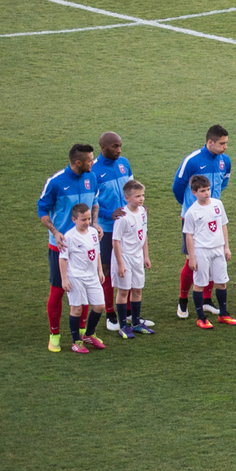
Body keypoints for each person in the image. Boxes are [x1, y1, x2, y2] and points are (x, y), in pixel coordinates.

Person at [39, 144, 98, 352]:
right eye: (90, 160)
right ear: (78, 162)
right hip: (61, 247)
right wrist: (55, 232)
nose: (93, 163)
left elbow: (95, 202)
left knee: (85, 288)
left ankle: (82, 333)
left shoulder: (92, 177)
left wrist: (95, 223)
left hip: (85, 246)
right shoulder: (56, 182)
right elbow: (42, 209)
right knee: (57, 291)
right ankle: (54, 335)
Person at [172, 125, 231, 318]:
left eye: (226, 143)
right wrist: (192, 208)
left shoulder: (225, 161)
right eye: (222, 143)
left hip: (213, 216)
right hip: (194, 220)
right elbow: (178, 187)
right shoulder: (192, 161)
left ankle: (206, 300)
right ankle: (182, 300)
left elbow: (223, 183)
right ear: (210, 142)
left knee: (213, 256)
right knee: (193, 260)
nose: (225, 147)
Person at [182, 174, 236, 329]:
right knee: (199, 284)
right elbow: (189, 236)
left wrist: (226, 247)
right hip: (201, 251)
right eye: (202, 191)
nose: (206, 193)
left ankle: (223, 314)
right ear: (194, 192)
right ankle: (201, 318)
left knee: (221, 282)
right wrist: (192, 257)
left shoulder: (218, 204)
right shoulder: (191, 212)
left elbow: (223, 225)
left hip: (218, 249)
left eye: (208, 189)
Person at [92, 131, 134, 331]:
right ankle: (110, 314)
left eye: (120, 146)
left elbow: (132, 189)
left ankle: (129, 312)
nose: (119, 150)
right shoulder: (93, 170)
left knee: (129, 264)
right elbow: (91, 202)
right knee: (108, 269)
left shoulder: (124, 163)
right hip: (106, 229)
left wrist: (138, 206)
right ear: (103, 147)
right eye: (115, 146)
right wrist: (109, 214)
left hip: (127, 226)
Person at [59, 205, 107, 353]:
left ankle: (89, 334)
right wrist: (64, 279)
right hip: (76, 277)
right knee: (77, 308)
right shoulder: (69, 237)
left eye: (89, 219)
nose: (87, 222)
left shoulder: (93, 232)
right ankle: (76, 342)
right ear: (74, 220)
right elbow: (62, 258)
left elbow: (96, 252)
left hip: (92, 276)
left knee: (99, 305)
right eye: (83, 220)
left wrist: (100, 270)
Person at [110, 180, 151, 338]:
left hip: (137, 257)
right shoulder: (122, 217)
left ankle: (135, 323)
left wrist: (146, 256)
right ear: (127, 198)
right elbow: (116, 241)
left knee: (137, 289)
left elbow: (144, 234)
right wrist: (120, 264)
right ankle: (122, 326)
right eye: (138, 196)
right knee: (123, 290)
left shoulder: (142, 212)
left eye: (143, 195)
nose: (141, 199)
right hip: (125, 257)